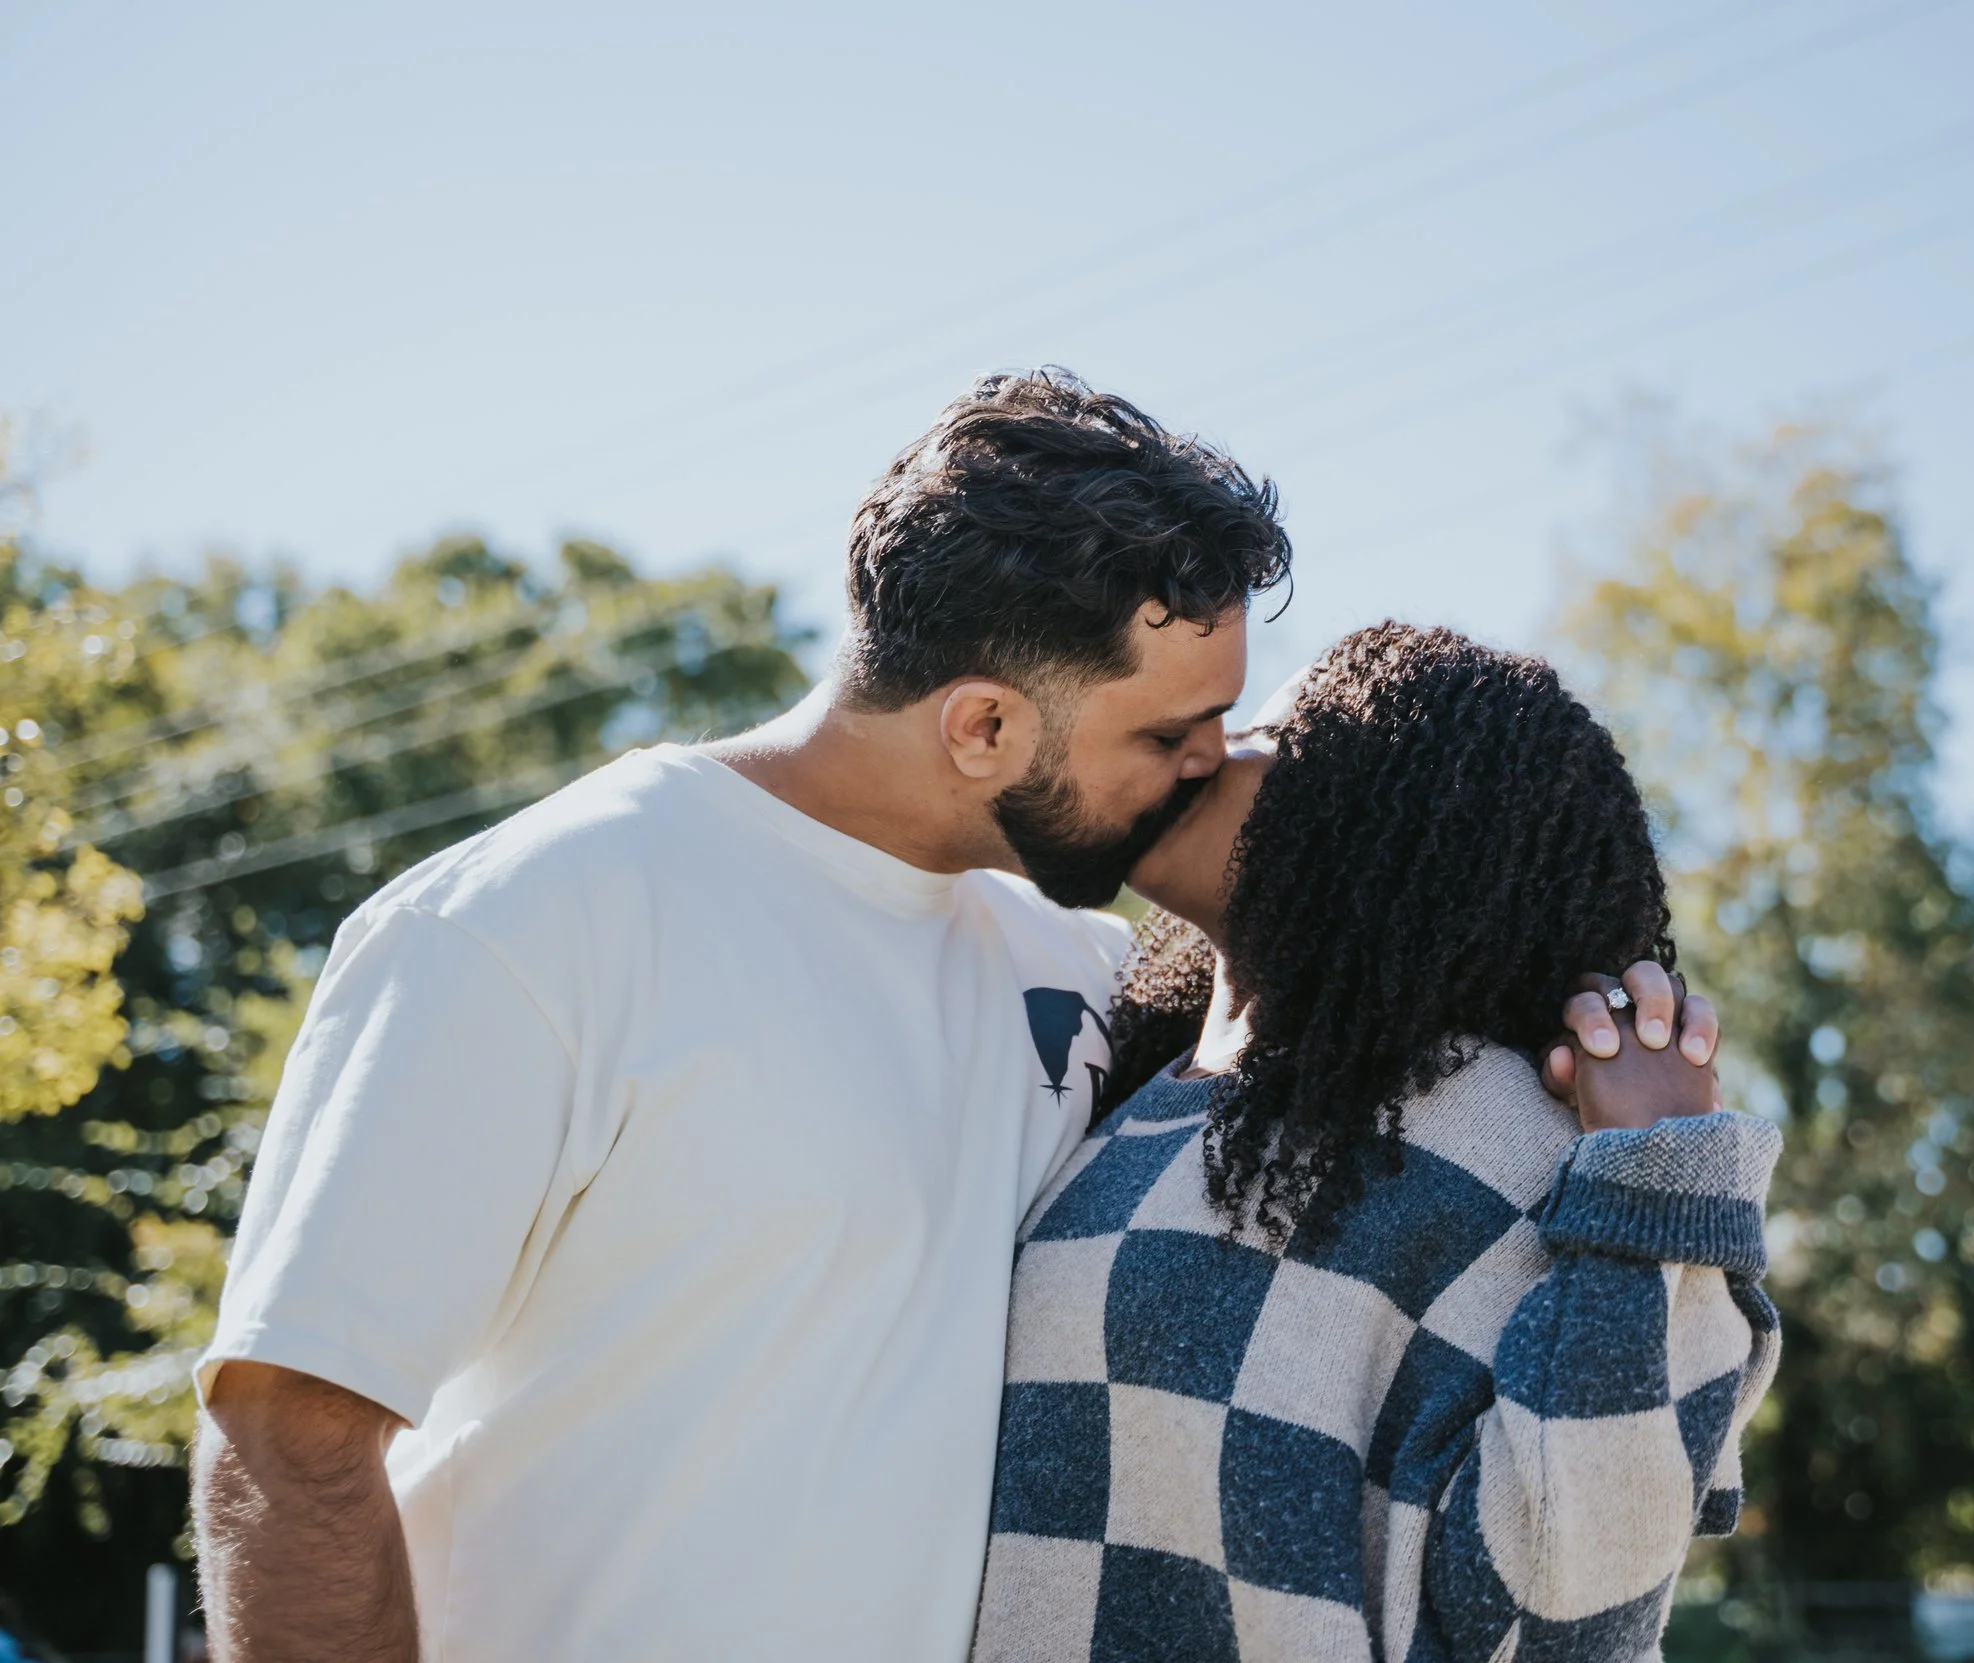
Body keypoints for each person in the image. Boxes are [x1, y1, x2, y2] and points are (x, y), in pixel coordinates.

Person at [189, 372, 1707, 1662]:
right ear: (984, 724)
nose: (1214, 765)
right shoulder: (540, 919)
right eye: (1172, 734)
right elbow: (290, 1435)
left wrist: (1632, 1130)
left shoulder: (1089, 978)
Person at [974, 622, 1782, 1663]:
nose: (1210, 752)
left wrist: (1660, 1167)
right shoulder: (1113, 1084)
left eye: (1275, 738)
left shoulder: (1510, 1138)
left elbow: (1569, 1625)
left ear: (1397, 819)